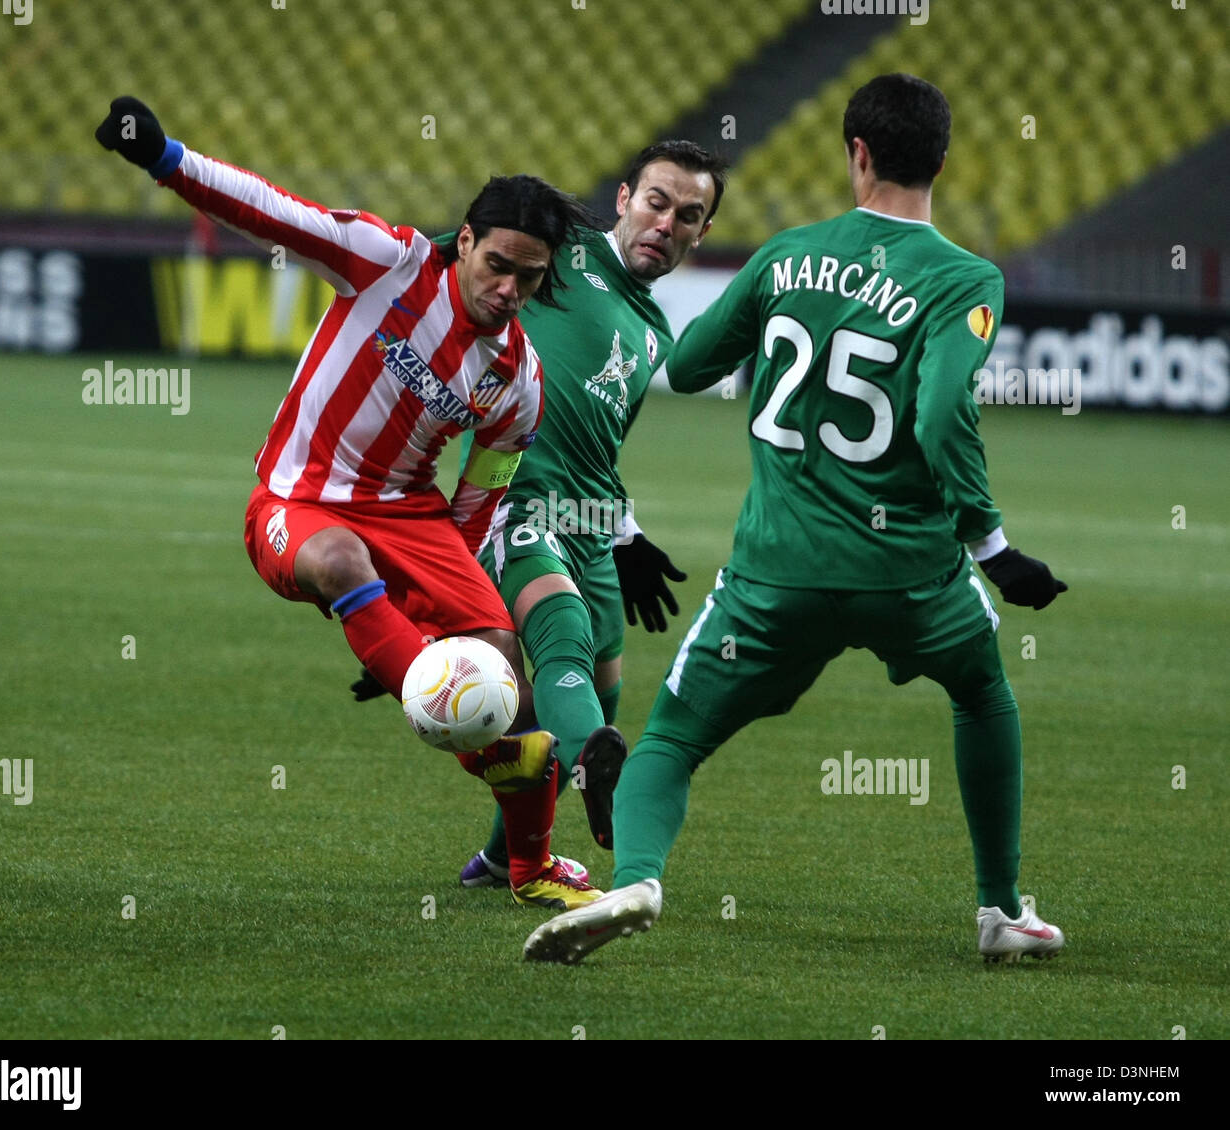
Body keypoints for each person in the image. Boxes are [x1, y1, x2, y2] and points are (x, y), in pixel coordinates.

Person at [523, 73, 1070, 964]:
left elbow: (693, 365)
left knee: (669, 740)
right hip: (913, 576)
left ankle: (636, 881)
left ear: (857, 153)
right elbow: (938, 413)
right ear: (940, 158)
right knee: (980, 691)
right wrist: (992, 545)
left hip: (774, 576)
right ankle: (1001, 912)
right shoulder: (966, 278)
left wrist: (780, 360)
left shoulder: (785, 257)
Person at [95, 95, 604, 911]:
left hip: (409, 514)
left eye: (530, 278)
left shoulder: (517, 381)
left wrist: (430, 621)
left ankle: (530, 865)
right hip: (297, 499)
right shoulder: (389, 260)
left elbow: (478, 501)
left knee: (506, 667)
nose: (510, 289)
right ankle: (435, 700)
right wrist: (164, 156)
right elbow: (273, 212)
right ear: (464, 241)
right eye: (497, 266)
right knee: (340, 560)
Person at [353, 142, 730, 891]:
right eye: (657, 201)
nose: (667, 223)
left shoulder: (654, 329)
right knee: (561, 639)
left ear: (701, 233)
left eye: (689, 215)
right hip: (514, 499)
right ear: (624, 198)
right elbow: (451, 259)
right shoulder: (557, 257)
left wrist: (626, 532)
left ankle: (500, 858)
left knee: (603, 678)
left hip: (589, 521)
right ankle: (601, 774)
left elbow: (598, 438)